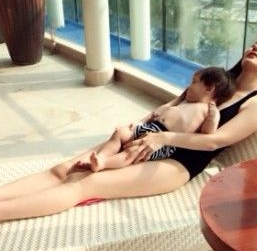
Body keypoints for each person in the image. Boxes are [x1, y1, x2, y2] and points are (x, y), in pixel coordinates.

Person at [0, 38, 257, 234]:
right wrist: (132, 131)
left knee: (84, 184)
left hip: (176, 164)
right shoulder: (216, 82)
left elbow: (214, 142)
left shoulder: (254, 107)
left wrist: (163, 140)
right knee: (64, 169)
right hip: (144, 141)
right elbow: (164, 109)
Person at [84, 66, 233, 173]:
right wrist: (142, 122)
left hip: (165, 143)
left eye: (194, 82)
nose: (189, 86)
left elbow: (207, 134)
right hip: (152, 127)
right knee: (120, 133)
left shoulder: (208, 110)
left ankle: (104, 163)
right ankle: (101, 155)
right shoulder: (187, 100)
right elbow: (163, 109)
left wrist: (214, 118)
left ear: (209, 88)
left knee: (133, 152)